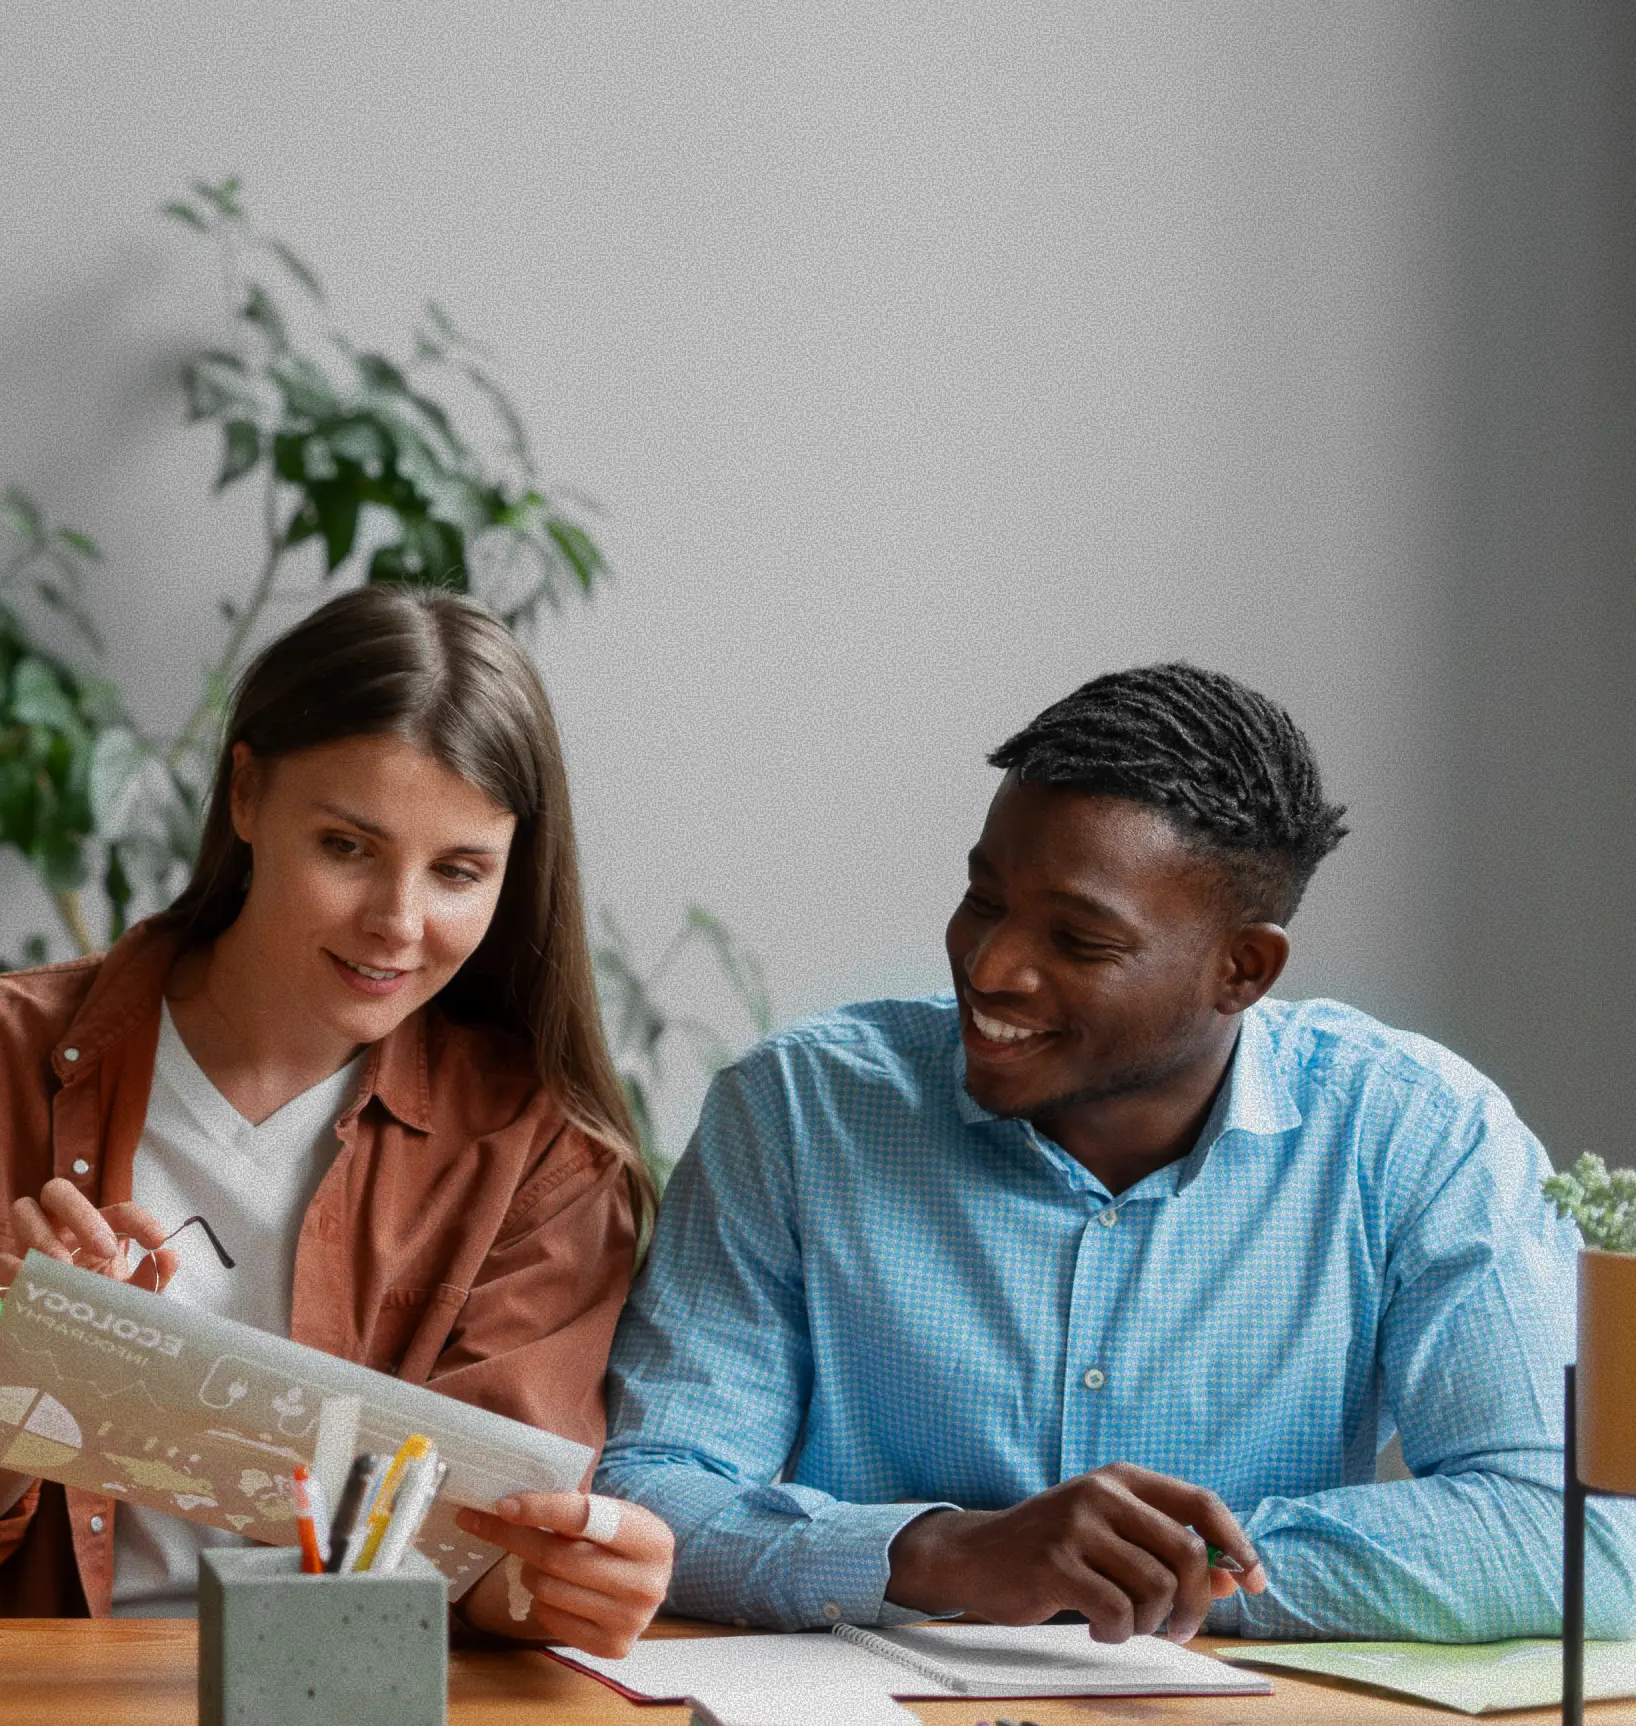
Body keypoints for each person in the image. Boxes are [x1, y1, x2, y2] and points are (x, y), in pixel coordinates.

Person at [597, 661, 1634, 1645]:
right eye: (984, 899)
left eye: (1080, 941)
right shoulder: (797, 1111)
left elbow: (1575, 1533)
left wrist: (1160, 1570)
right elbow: (650, 1492)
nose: (992, 966)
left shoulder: (1416, 1133)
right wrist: (947, 1552)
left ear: (1244, 967)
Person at [0, 585, 674, 1656]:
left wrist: (567, 1581)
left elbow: (479, 1565)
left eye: (457, 871)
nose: (398, 923)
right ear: (246, 794)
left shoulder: (541, 1148)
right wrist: (31, 1379)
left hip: (354, 1725)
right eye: (347, 846)